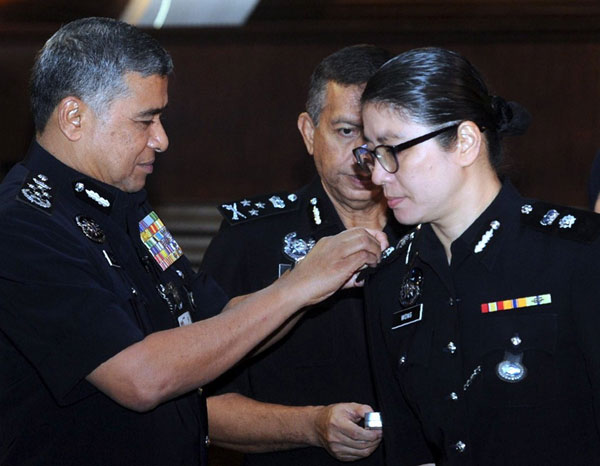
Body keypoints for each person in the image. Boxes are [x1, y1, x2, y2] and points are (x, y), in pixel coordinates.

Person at [0, 18, 387, 466]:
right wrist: (295, 288)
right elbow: (140, 379)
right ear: (74, 117)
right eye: (146, 120)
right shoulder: (23, 225)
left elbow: (218, 323)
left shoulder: (127, 206)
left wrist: (314, 283)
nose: (161, 139)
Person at [354, 46, 600, 466]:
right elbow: (406, 445)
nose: (377, 174)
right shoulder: (392, 280)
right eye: (372, 154)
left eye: (393, 150)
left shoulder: (577, 255)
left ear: (465, 142)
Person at [201, 45, 407, 465]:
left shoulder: (434, 232)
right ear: (309, 132)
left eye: (377, 138)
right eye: (346, 132)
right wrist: (311, 426)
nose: (362, 156)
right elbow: (200, 408)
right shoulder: (251, 238)